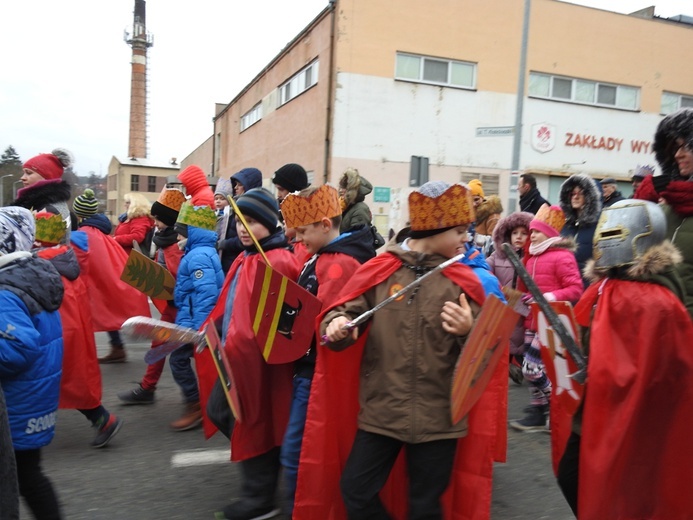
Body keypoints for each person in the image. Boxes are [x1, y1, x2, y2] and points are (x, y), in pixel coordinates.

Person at [314, 181, 501, 519]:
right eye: (460, 230)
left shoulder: (463, 280)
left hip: (439, 418)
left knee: (426, 507)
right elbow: (346, 311)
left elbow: (486, 354)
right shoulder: (382, 270)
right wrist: (337, 325)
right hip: (382, 411)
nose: (467, 239)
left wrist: (468, 330)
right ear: (434, 228)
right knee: (355, 491)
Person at [557, 199, 693, 519]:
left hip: (633, 415)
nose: (608, 239)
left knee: (626, 491)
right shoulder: (605, 287)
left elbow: (664, 370)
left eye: (618, 231)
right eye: (606, 230)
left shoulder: (657, 302)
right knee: (573, 478)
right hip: (594, 408)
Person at [197, 186, 301, 520]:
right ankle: (266, 468)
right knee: (227, 413)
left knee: (254, 422)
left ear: (270, 225)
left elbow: (285, 324)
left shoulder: (279, 261)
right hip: (235, 360)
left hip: (260, 365)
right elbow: (230, 305)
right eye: (241, 220)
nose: (243, 228)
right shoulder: (248, 257)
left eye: (253, 221)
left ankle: (260, 497)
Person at [278, 185, 373, 515]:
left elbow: (331, 322)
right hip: (305, 368)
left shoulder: (339, 264)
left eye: (303, 230)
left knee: (298, 453)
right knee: (299, 451)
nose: (297, 236)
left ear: (324, 224)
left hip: (316, 373)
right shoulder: (318, 257)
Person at [34, 211, 124, 449]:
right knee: (70, 380)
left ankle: (102, 420)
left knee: (57, 380)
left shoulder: (42, 266)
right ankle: (102, 419)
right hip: (70, 331)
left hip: (56, 333)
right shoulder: (67, 257)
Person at [0, 206, 64, 519]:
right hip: (30, 399)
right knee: (30, 477)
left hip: (15, 405)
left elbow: (17, 349)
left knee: (25, 479)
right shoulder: (30, 276)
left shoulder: (5, 290)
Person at [509, 205, 583, 432]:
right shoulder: (530, 259)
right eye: (531, 232)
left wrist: (547, 297)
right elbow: (525, 292)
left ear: (551, 233)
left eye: (537, 232)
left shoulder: (562, 256)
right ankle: (539, 413)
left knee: (532, 369)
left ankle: (555, 405)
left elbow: (575, 289)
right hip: (533, 321)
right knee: (529, 369)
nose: (532, 236)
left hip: (552, 323)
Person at [117, 186, 186, 405]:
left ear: (170, 219)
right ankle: (148, 388)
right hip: (173, 306)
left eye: (158, 219)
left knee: (187, 358)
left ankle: (198, 401)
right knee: (159, 343)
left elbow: (179, 279)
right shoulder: (165, 240)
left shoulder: (178, 245)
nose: (154, 224)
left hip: (185, 308)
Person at [169, 166, 224, 431]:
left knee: (178, 360)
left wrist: (201, 331)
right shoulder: (198, 251)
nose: (178, 237)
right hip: (190, 319)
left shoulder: (198, 256)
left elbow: (206, 294)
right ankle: (205, 401)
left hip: (196, 324)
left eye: (182, 232)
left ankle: (197, 403)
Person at [72, 190, 152, 364]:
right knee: (108, 305)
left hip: (120, 261)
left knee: (106, 306)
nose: (125, 205)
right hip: (113, 261)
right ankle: (117, 346)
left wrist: (116, 239)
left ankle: (113, 346)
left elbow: (137, 237)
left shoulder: (87, 232)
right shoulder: (102, 228)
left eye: (128, 203)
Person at [634, 107, 693, 319]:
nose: (678, 154)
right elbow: (631, 244)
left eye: (686, 146)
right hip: (659, 322)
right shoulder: (667, 206)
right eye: (675, 148)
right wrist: (643, 199)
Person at [487, 211, 534, 384]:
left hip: (523, 308)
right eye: (515, 233)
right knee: (504, 340)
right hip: (503, 306)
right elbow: (486, 270)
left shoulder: (531, 258)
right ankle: (508, 366)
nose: (519, 237)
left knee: (520, 340)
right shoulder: (498, 256)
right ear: (507, 234)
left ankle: (520, 366)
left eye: (524, 233)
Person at [12, 148, 75, 242]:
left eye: (29, 173)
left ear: (47, 177)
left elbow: (39, 249)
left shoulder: (47, 211)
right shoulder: (52, 203)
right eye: (24, 173)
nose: (22, 178)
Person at [558, 174, 602, 287]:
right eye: (572, 194)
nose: (575, 197)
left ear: (590, 198)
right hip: (564, 284)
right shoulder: (564, 224)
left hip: (588, 285)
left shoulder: (599, 225)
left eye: (580, 193)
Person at [218, 167, 263, 273]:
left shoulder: (251, 208)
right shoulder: (235, 205)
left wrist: (225, 244)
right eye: (235, 184)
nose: (236, 188)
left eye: (239, 184)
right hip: (231, 261)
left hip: (238, 262)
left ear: (249, 186)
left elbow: (248, 238)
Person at [337, 167, 374, 233]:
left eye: (345, 187)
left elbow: (357, 239)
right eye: (341, 186)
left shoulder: (360, 209)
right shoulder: (344, 208)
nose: (341, 190)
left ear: (352, 190)